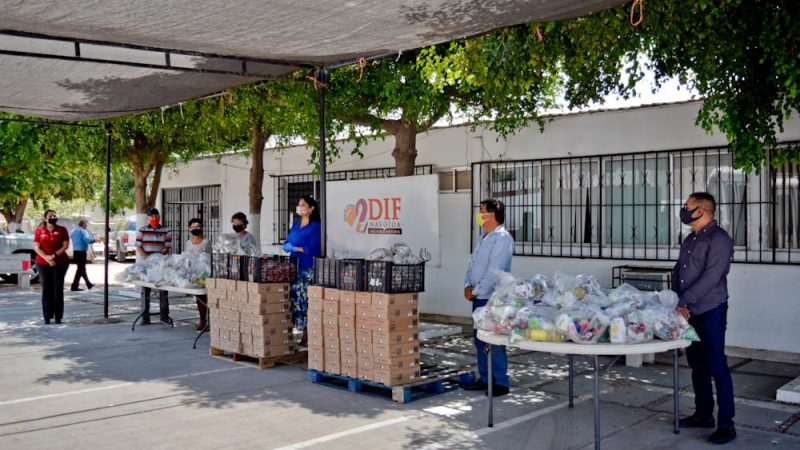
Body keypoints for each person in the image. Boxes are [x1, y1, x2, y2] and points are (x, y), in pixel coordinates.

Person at [673, 192, 736, 445]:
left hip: (711, 309)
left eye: (687, 206)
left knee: (717, 365)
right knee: (697, 365)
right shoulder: (691, 238)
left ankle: (726, 425)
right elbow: (679, 270)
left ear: (701, 210)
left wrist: (685, 300)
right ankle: (703, 414)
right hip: (688, 312)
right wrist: (678, 302)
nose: (684, 210)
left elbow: (712, 277)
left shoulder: (719, 239)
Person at [462, 199, 514, 397]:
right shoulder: (484, 236)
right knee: (480, 339)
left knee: (494, 340)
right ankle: (485, 378)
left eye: (481, 211)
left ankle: (500, 382)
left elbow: (495, 270)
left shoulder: (502, 238)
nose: (479, 214)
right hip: (478, 296)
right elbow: (473, 264)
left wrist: (476, 290)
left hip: (492, 298)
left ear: (492, 215)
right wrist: (468, 285)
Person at [283, 195, 322, 346]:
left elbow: (314, 249)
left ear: (311, 208)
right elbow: (288, 240)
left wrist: (296, 248)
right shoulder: (296, 223)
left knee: (303, 301)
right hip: (294, 267)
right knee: (293, 301)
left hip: (307, 268)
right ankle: (297, 335)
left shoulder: (316, 227)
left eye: (303, 205)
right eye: (298, 204)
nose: (299, 207)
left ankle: (306, 335)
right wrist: (287, 246)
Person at [136, 208, 173, 325]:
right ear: (148, 218)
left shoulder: (166, 230)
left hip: (161, 264)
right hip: (146, 264)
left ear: (159, 217)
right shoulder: (142, 230)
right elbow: (139, 247)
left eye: (156, 216)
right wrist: (147, 257)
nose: (154, 219)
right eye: (152, 217)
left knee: (163, 289)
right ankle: (145, 317)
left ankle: (164, 316)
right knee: (145, 290)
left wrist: (163, 251)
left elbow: (167, 247)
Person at [33, 210, 70, 324]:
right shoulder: (40, 230)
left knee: (57, 288)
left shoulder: (62, 229)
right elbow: (36, 247)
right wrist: (46, 258)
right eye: (50, 216)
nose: (53, 217)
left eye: (55, 215)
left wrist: (53, 256)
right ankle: (47, 316)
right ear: (45, 219)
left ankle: (58, 316)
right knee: (46, 288)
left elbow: (65, 246)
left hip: (60, 262)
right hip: (42, 263)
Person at [184, 218, 212, 331]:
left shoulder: (207, 242)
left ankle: (204, 320)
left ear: (202, 228)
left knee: (203, 297)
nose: (195, 229)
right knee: (198, 297)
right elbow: (186, 258)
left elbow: (209, 259)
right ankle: (202, 319)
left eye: (198, 226)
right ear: (189, 228)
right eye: (193, 227)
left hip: (203, 274)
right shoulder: (187, 243)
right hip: (192, 274)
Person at [70, 219, 96, 291]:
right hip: (81, 252)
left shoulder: (73, 231)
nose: (87, 226)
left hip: (75, 252)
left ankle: (88, 284)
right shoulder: (83, 231)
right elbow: (88, 240)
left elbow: (71, 238)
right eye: (86, 224)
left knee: (81, 269)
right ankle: (75, 286)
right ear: (84, 224)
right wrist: (95, 239)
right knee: (80, 269)